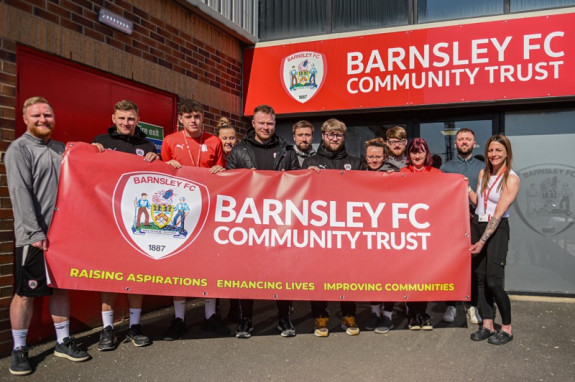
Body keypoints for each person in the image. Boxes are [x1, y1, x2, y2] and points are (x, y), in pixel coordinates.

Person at [5, 97, 90, 375]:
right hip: (34, 237)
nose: (43, 119)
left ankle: (63, 341)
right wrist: (34, 232)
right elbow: (20, 193)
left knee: (59, 287)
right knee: (26, 293)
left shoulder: (60, 149)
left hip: (62, 236)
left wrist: (98, 150)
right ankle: (19, 348)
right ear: (25, 119)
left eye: (47, 115)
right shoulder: (19, 149)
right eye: (37, 115)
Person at [226, 104, 300, 338]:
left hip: (280, 220)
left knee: (281, 271)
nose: (266, 127)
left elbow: (298, 182)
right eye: (261, 123)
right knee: (246, 272)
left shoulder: (288, 150)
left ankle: (284, 319)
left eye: (270, 123)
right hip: (249, 220)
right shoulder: (239, 150)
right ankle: (246, 320)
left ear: (275, 124)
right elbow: (229, 185)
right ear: (253, 124)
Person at [92, 100, 158, 351]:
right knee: (109, 278)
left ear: (137, 119)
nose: (126, 123)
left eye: (130, 119)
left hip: (136, 223)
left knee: (136, 275)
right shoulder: (100, 141)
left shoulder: (147, 146)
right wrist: (89, 153)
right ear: (113, 118)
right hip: (108, 220)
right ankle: (107, 329)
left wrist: (157, 160)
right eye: (121, 118)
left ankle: (134, 326)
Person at [161, 100, 228, 340]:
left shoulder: (215, 141)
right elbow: (162, 175)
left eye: (198, 116)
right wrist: (167, 166)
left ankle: (210, 316)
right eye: (189, 116)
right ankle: (179, 318)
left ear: (203, 117)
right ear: (181, 119)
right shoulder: (169, 141)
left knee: (209, 265)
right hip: (180, 214)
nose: (194, 121)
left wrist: (221, 171)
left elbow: (224, 174)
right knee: (179, 267)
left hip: (209, 213)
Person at [302, 118, 362, 337]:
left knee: (348, 274)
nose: (334, 138)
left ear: (343, 137)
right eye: (330, 135)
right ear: (323, 136)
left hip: (348, 230)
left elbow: (370, 191)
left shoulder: (355, 162)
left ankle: (348, 314)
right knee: (319, 274)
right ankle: (320, 316)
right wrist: (306, 174)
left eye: (338, 135)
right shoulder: (311, 161)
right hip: (319, 231)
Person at [469, 135, 519, 345]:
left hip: (496, 229)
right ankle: (487, 324)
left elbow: (498, 213)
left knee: (494, 280)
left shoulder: (511, 178)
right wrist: (465, 189)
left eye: (498, 150)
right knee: (480, 279)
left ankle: (506, 328)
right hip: (478, 225)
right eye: (490, 151)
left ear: (507, 152)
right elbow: (479, 203)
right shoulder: (483, 173)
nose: (494, 155)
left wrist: (481, 241)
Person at [440, 128, 485, 325]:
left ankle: (473, 305)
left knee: (475, 264)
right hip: (453, 223)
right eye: (461, 139)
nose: (464, 142)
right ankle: (451, 304)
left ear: (474, 143)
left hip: (476, 221)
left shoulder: (483, 167)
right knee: (452, 263)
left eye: (468, 139)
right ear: (455, 143)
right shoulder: (446, 168)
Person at [400, 137, 440, 331]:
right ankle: (412, 314)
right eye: (414, 152)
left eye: (421, 151)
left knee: (425, 275)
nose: (417, 155)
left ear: (427, 154)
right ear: (409, 155)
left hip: (428, 233)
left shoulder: (437, 173)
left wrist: (460, 183)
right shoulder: (401, 173)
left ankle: (422, 313)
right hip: (406, 233)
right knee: (409, 274)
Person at [360, 138, 397, 334]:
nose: (374, 160)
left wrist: (397, 179)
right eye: (371, 156)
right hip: (367, 233)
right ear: (365, 157)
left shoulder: (394, 173)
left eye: (378, 156)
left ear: (385, 157)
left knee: (389, 274)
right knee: (372, 274)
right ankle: (374, 312)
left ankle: (388, 315)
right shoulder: (359, 174)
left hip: (388, 232)